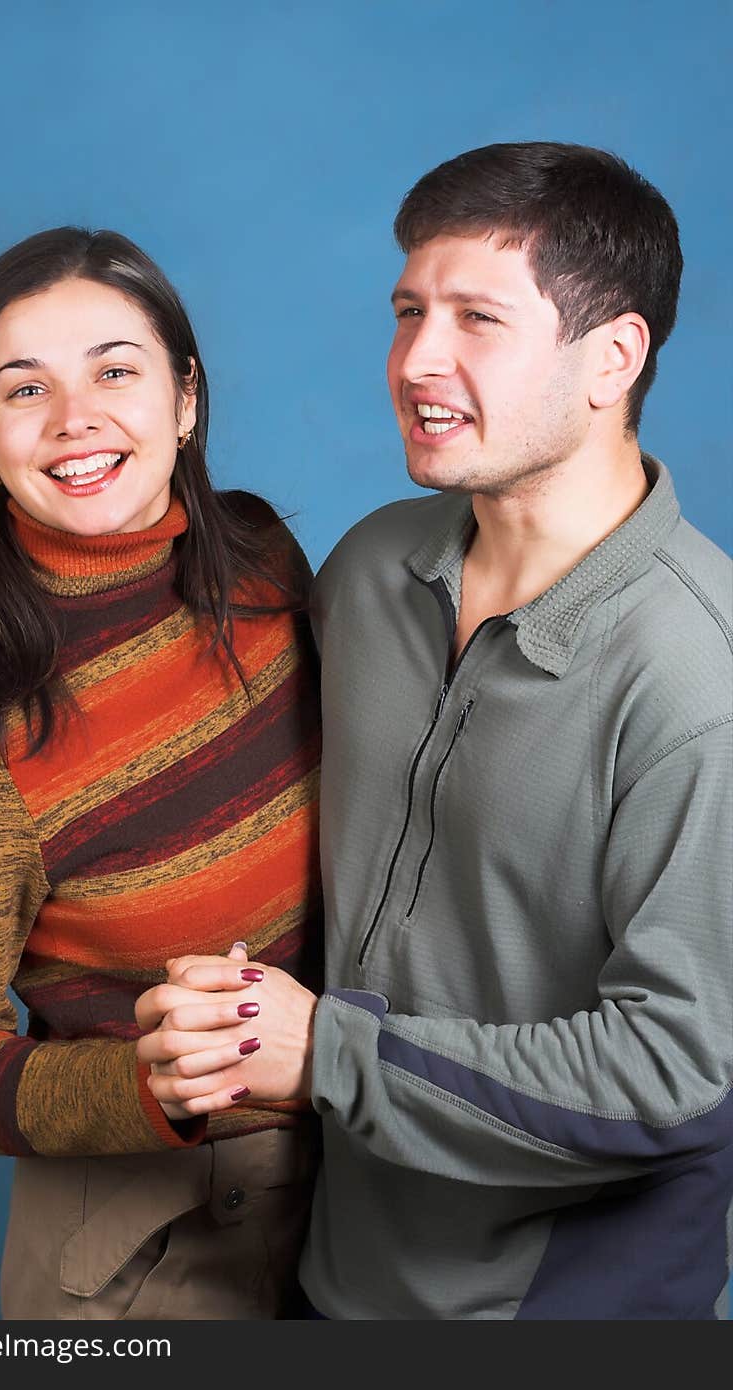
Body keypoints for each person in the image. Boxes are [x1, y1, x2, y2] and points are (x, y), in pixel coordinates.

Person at [138, 143, 733, 1320]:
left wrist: (329, 1057)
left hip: (557, 1307)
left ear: (612, 357)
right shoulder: (367, 570)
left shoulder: (696, 676)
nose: (416, 360)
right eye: (408, 310)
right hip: (331, 1270)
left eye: (476, 318)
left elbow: (678, 1080)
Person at [0, 227, 322, 1320]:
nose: (76, 420)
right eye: (24, 389)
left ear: (184, 398)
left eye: (115, 370)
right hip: (144, 1254)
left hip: (358, 1186)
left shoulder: (262, 563)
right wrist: (147, 1084)